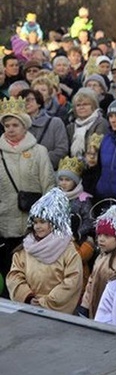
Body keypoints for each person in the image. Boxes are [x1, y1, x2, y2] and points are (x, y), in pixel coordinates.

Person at [0, 97, 56, 285]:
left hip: (33, 225)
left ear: (25, 126)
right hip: (4, 223)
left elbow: (49, 185)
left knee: (31, 273)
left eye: (15, 124)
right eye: (7, 125)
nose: (10, 129)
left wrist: (46, 221)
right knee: (8, 271)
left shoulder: (39, 151)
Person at [6, 188, 83, 314]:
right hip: (28, 308)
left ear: (54, 223)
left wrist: (46, 302)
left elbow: (72, 281)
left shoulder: (68, 251)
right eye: (35, 222)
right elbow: (14, 275)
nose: (37, 226)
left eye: (42, 222)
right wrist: (27, 297)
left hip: (56, 313)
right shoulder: (25, 248)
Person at [79, 204, 116, 319]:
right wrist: (84, 305)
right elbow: (91, 282)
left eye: (107, 235)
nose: (101, 239)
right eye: (99, 234)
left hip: (111, 316)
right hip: (93, 312)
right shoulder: (101, 256)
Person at [23, 88, 68, 169]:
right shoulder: (16, 125)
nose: (26, 103)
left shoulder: (55, 122)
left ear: (39, 103)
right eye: (22, 100)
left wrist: (39, 162)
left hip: (47, 170)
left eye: (30, 100)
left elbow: (62, 150)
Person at [67, 87, 108, 158]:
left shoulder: (101, 123)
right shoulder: (70, 127)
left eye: (85, 104)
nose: (81, 107)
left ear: (93, 106)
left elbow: (96, 148)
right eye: (78, 105)